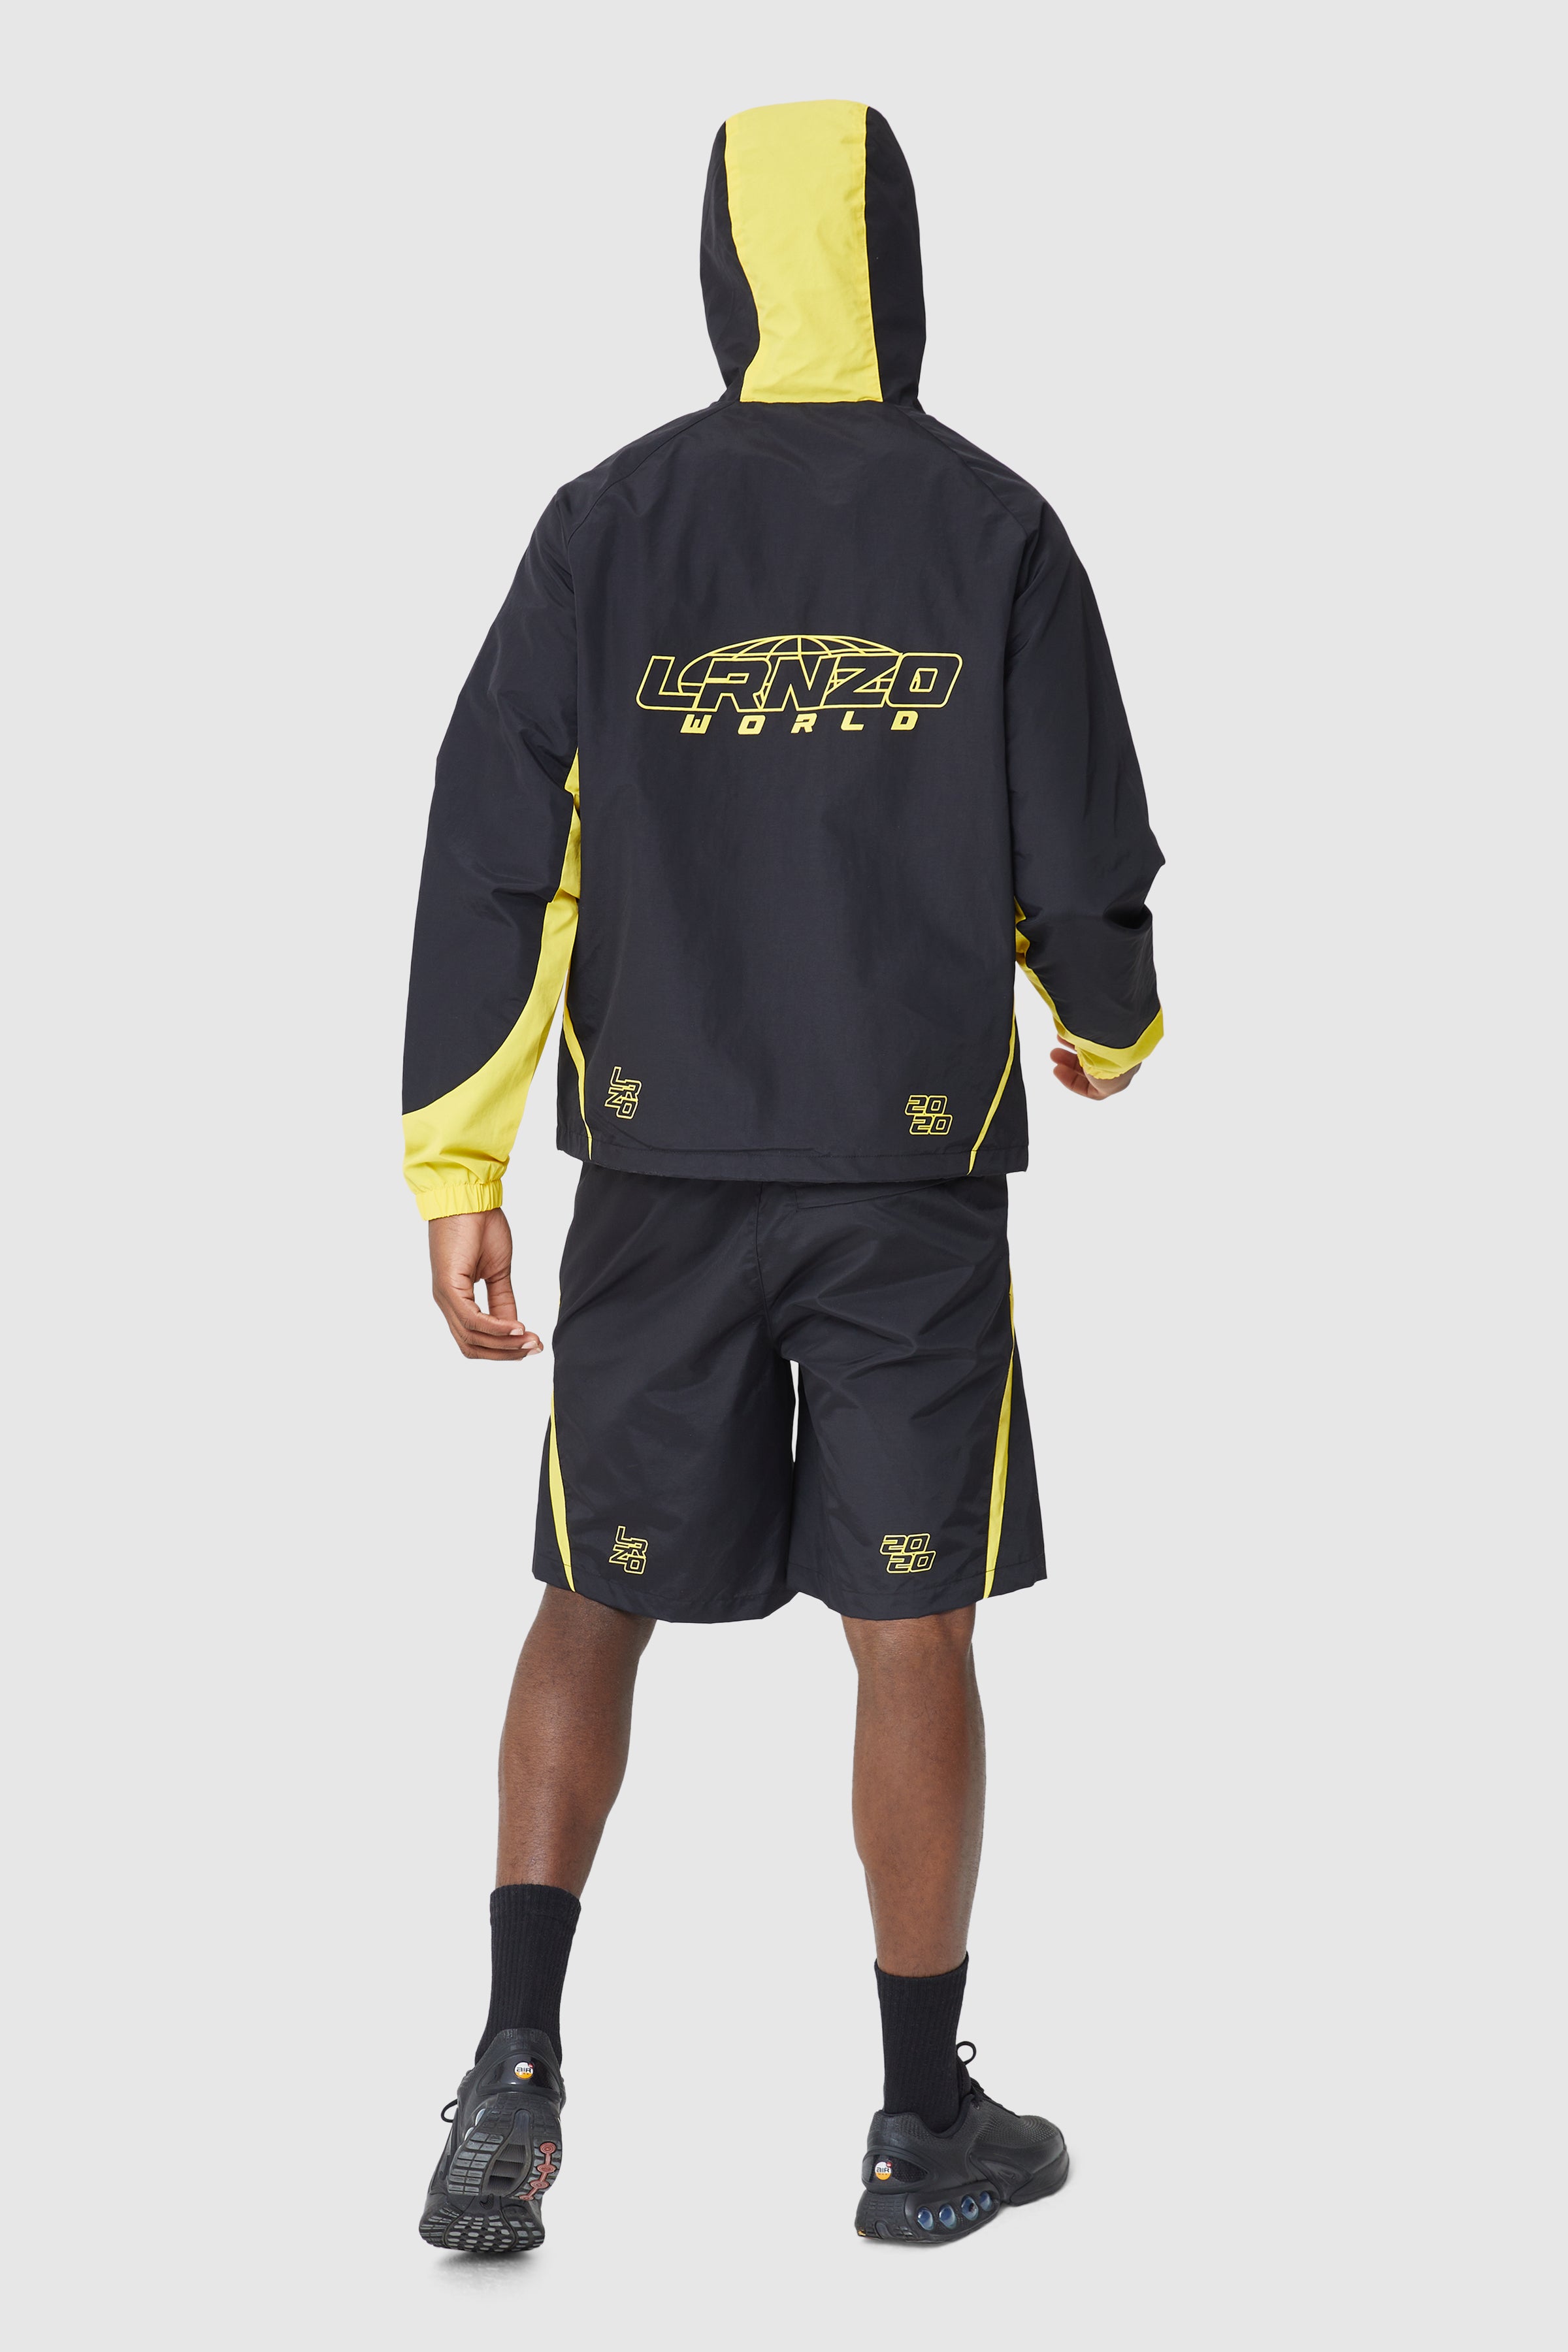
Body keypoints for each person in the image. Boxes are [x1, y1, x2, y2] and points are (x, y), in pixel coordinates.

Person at [404, 97, 1162, 2254]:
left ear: (721, 269)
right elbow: (1079, 839)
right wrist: (1109, 1020)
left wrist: (459, 1162)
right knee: (911, 1624)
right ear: (900, 268)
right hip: (906, 1178)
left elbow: (497, 850)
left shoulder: (608, 524)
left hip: (658, 1164)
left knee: (593, 1590)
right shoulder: (995, 526)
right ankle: (922, 2125)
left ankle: (510, 2072)